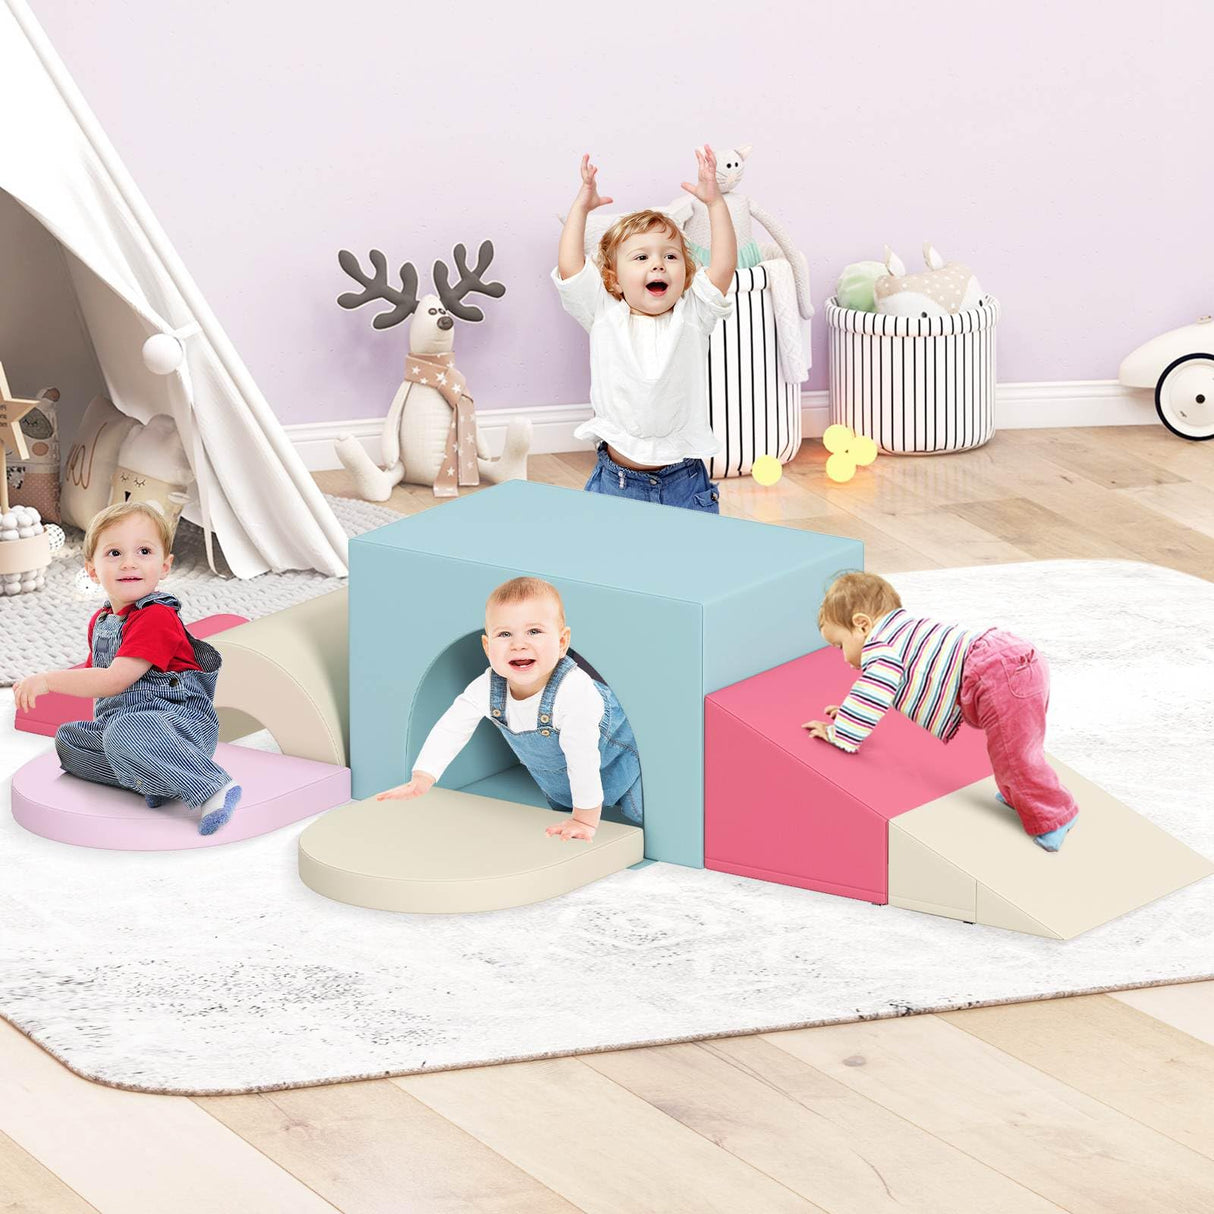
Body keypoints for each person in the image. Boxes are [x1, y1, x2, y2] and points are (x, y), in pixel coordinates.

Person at [803, 571, 1079, 851]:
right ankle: (1019, 795)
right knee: (1015, 748)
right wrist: (852, 709)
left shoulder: (879, 644)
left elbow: (876, 687)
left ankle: (1055, 816)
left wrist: (842, 730)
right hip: (1011, 658)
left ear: (862, 625)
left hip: (997, 673)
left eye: (840, 645)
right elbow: (880, 690)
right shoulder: (902, 628)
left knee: (1016, 753)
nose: (843, 656)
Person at [12, 501, 241, 836]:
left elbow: (113, 680)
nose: (129, 562)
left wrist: (48, 681)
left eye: (144, 551)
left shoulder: (156, 616)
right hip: (123, 727)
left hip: (177, 729)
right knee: (69, 740)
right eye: (115, 553)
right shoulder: (102, 621)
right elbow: (93, 678)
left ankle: (213, 786)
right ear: (92, 570)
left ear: (164, 566)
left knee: (125, 732)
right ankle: (154, 780)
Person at [377, 576, 642, 840]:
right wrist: (423, 775)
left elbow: (582, 757)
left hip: (625, 771)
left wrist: (585, 819)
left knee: (644, 814)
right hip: (560, 789)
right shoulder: (488, 687)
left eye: (534, 631)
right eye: (505, 634)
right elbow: (453, 726)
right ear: (487, 646)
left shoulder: (574, 692)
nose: (519, 644)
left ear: (562, 643)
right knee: (558, 837)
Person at [553, 145, 737, 512]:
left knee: (698, 566)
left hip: (685, 482)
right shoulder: (604, 313)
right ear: (614, 279)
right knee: (607, 568)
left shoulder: (692, 316)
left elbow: (723, 268)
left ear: (685, 273)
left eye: (670, 256)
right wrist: (581, 208)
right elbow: (572, 268)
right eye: (641, 257)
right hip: (617, 483)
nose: (658, 264)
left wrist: (715, 204)